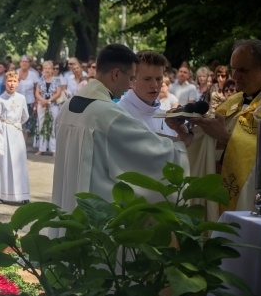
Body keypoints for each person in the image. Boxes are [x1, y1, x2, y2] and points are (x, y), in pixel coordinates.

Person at [51, 43, 193, 215]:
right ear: (116, 74)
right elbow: (149, 152)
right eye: (132, 78)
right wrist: (181, 146)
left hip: (67, 200)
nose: (130, 85)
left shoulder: (68, 106)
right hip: (95, 212)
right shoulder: (108, 114)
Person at [187, 38, 261, 220]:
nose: (235, 76)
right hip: (220, 188)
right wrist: (186, 133)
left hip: (254, 202)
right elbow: (208, 140)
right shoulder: (234, 102)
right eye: (233, 69)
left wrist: (227, 138)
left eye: (243, 70)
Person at [117, 50, 172, 135]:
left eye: (158, 79)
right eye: (147, 79)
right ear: (132, 80)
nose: (154, 85)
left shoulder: (164, 115)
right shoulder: (120, 114)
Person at [0, 70, 31, 204]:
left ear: (18, 83)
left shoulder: (21, 98)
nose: (12, 84)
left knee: (19, 162)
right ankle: (3, 193)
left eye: (14, 81)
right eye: (9, 81)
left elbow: (25, 116)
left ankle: (23, 194)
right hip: (4, 131)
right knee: (4, 162)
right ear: (5, 82)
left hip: (16, 131)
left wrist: (15, 125)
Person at [34, 60, 66, 155]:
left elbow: (58, 92)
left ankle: (53, 149)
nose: (47, 70)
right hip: (42, 104)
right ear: (43, 70)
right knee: (41, 126)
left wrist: (49, 100)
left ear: (52, 70)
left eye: (49, 68)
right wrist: (43, 101)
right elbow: (37, 92)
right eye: (45, 68)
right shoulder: (40, 79)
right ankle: (42, 148)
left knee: (53, 126)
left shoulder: (56, 80)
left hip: (53, 105)